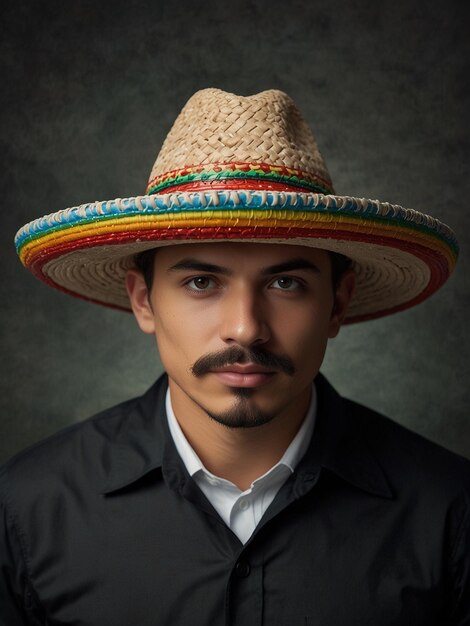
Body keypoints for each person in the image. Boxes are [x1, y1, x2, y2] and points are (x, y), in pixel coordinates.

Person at [1, 88, 469, 625]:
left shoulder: (450, 511)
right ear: (143, 299)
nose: (246, 327)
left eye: (286, 282)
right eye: (202, 281)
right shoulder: (27, 509)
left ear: (337, 304)